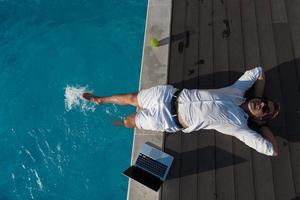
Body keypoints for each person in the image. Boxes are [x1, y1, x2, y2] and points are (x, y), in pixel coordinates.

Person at [83, 66, 280, 156]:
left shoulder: (240, 127)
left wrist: (262, 127)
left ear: (262, 117)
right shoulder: (237, 91)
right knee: (132, 98)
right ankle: (101, 100)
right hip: (168, 95)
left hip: (168, 119)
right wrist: (260, 96)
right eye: (264, 102)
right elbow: (258, 71)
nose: (261, 104)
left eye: (264, 109)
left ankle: (115, 123)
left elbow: (272, 150)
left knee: (130, 120)